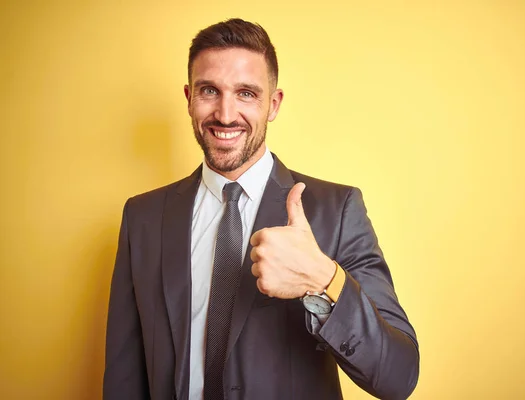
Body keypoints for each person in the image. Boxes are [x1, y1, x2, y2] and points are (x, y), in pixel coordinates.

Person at [103, 18, 419, 400]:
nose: (225, 113)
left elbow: (399, 376)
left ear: (273, 104)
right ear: (188, 97)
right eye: (209, 91)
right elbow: (123, 373)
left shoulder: (336, 211)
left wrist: (324, 279)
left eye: (247, 94)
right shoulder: (142, 218)